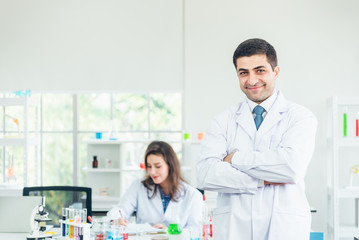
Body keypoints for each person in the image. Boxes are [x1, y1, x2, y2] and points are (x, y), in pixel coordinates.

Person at [196, 38, 317, 240]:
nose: (251, 80)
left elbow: (291, 166)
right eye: (243, 73)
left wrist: (234, 159)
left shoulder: (300, 117)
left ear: (275, 72)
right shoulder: (222, 120)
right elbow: (206, 174)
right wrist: (262, 179)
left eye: (259, 70)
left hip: (283, 228)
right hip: (235, 229)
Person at [108, 140, 203, 230]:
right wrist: (116, 219)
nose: (152, 172)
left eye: (158, 166)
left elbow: (195, 231)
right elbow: (120, 210)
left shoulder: (193, 195)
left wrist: (170, 232)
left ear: (170, 165)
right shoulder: (138, 187)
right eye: (149, 166)